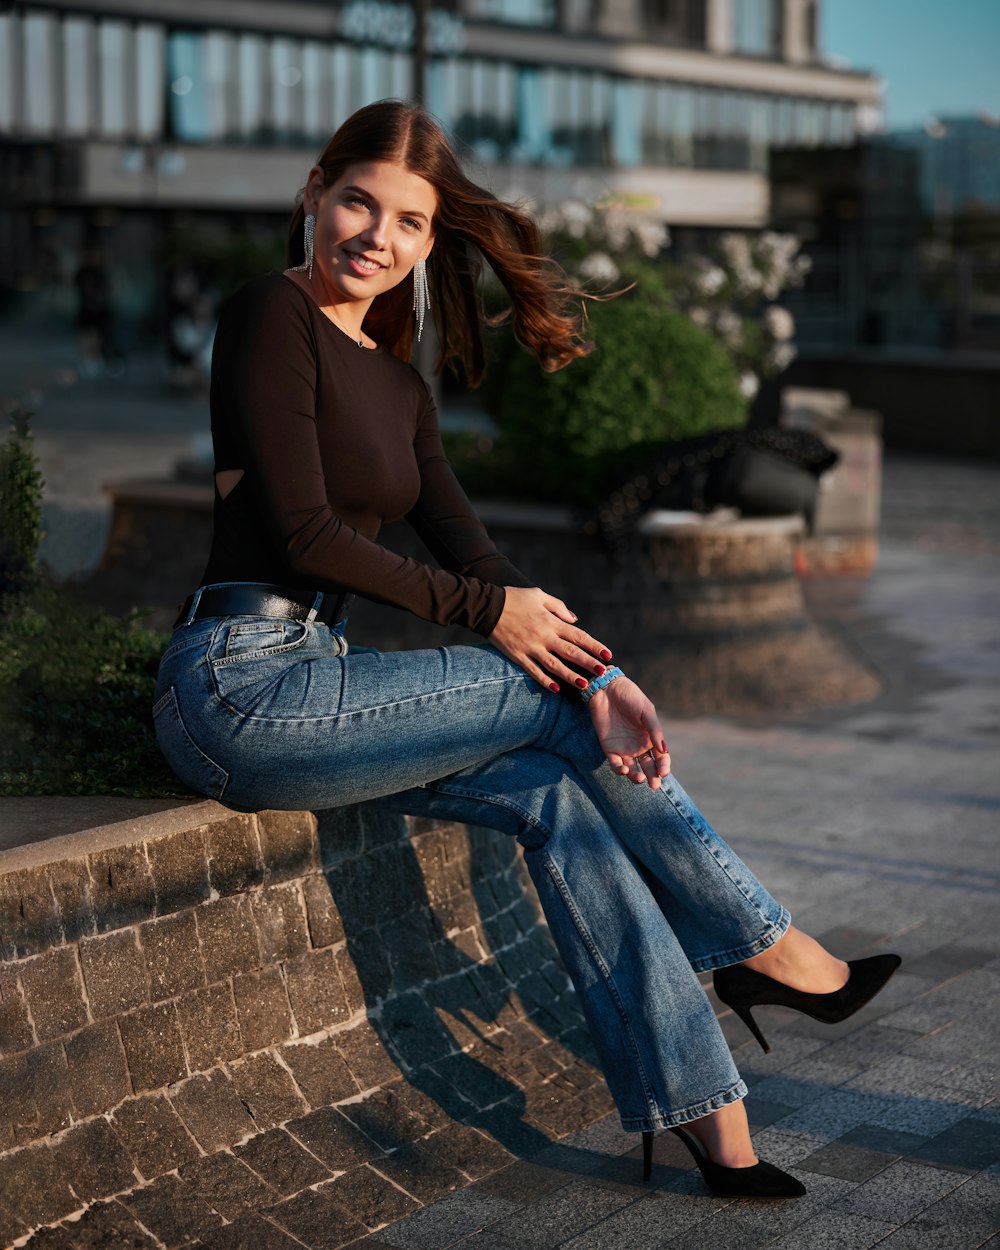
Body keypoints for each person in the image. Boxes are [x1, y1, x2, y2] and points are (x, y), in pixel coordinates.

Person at [153, 99, 900, 1200]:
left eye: (409, 221)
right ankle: (765, 945)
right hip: (239, 686)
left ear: (429, 242)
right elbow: (307, 533)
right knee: (545, 701)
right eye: (358, 200)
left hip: (324, 679)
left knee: (557, 794)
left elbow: (475, 548)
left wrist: (602, 669)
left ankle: (709, 1116)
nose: (377, 234)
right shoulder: (269, 314)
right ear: (313, 190)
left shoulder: (400, 381)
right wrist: (513, 636)